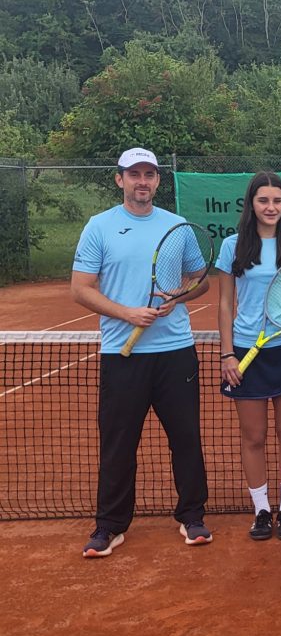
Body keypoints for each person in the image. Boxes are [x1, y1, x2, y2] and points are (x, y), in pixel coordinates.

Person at [72, 147, 211, 557]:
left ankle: (192, 516)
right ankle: (110, 526)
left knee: (186, 438)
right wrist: (127, 313)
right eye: (134, 174)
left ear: (157, 180)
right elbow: (80, 288)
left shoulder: (177, 226)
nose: (142, 181)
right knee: (118, 443)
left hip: (176, 352)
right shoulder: (99, 227)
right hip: (122, 354)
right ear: (120, 179)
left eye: (149, 174)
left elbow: (200, 280)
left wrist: (178, 296)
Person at [216, 171, 281, 541]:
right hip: (245, 352)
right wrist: (227, 353)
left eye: (277, 201)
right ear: (251, 204)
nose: (271, 207)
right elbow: (225, 304)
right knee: (253, 436)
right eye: (263, 200)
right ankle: (261, 511)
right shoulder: (232, 246)